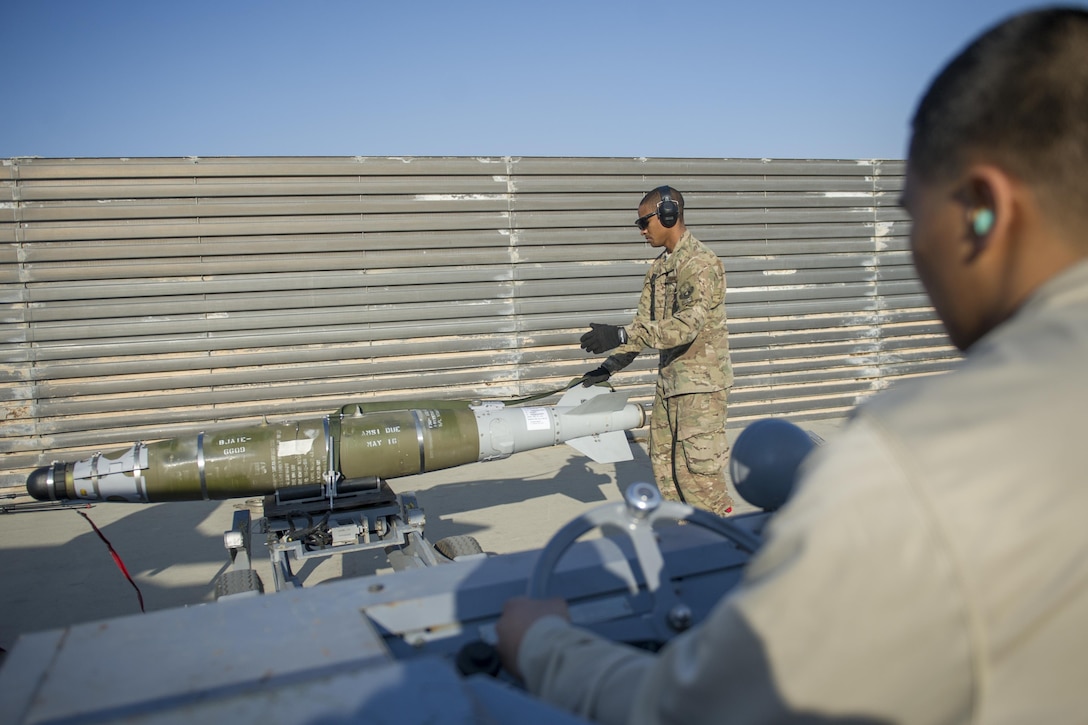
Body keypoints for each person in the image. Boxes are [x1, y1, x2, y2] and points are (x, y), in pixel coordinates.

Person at [496, 7, 1088, 723]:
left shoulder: (912, 462)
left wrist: (545, 646)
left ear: (982, 211)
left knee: (706, 495)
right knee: (671, 486)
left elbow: (702, 710)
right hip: (667, 388)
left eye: (909, 214)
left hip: (700, 390)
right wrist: (611, 355)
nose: (912, 248)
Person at [578, 186, 735, 517]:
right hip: (671, 389)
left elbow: (688, 324)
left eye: (644, 222)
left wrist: (621, 333)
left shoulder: (700, 263)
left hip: (700, 391)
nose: (642, 230)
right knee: (668, 473)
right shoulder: (659, 270)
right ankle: (689, 545)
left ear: (668, 214)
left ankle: (724, 545)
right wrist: (608, 368)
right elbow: (643, 327)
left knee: (700, 479)